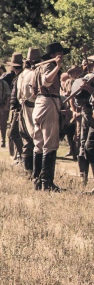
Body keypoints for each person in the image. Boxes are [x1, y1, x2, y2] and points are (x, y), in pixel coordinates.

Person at [31, 42, 70, 191]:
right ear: (53, 55)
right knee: (50, 143)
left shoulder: (38, 67)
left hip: (40, 103)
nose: (62, 56)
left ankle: (38, 181)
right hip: (48, 102)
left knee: (39, 143)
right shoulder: (50, 66)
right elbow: (46, 82)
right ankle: (47, 183)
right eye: (60, 53)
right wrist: (58, 67)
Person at [16, 48, 42, 177]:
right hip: (33, 109)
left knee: (27, 142)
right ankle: (36, 174)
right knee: (37, 141)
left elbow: (18, 95)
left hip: (23, 109)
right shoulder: (35, 74)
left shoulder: (21, 74)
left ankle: (28, 172)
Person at [71, 57, 94, 184]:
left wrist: (90, 89)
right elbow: (77, 99)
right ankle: (83, 178)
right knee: (83, 146)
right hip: (86, 113)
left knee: (90, 147)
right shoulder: (84, 77)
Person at [2, 52, 24, 160]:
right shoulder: (18, 76)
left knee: (13, 134)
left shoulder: (19, 77)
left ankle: (23, 156)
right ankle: (20, 155)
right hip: (19, 108)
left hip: (19, 109)